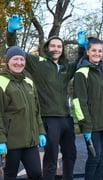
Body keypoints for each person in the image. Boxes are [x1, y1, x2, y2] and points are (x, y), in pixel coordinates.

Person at [6, 15, 77, 180]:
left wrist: (82, 48)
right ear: (47, 47)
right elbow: (14, 52)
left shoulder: (65, 68)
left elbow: (81, 62)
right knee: (50, 159)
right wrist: (10, 32)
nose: (56, 49)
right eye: (53, 45)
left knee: (70, 155)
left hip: (66, 118)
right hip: (49, 119)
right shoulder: (38, 63)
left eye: (59, 46)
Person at [0, 46, 46, 179]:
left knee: (36, 173)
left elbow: (36, 111)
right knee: (10, 175)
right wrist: (1, 140)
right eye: (15, 59)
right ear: (8, 61)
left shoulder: (29, 81)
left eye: (22, 59)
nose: (19, 62)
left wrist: (41, 132)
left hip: (30, 142)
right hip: (11, 143)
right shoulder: (2, 82)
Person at [73, 37, 103, 180]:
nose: (97, 53)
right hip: (92, 125)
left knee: (101, 159)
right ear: (87, 52)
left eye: (99, 51)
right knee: (94, 158)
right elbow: (78, 102)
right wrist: (85, 126)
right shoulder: (81, 72)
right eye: (94, 50)